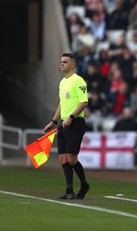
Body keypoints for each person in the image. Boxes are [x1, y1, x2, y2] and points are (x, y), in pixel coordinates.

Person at [44, 53, 90, 199]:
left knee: (71, 158)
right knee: (63, 158)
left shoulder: (79, 81)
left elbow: (84, 102)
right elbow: (61, 104)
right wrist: (53, 122)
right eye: (61, 61)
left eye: (65, 62)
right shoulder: (63, 82)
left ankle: (84, 184)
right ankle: (69, 190)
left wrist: (71, 117)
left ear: (72, 64)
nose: (62, 64)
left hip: (75, 123)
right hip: (63, 124)